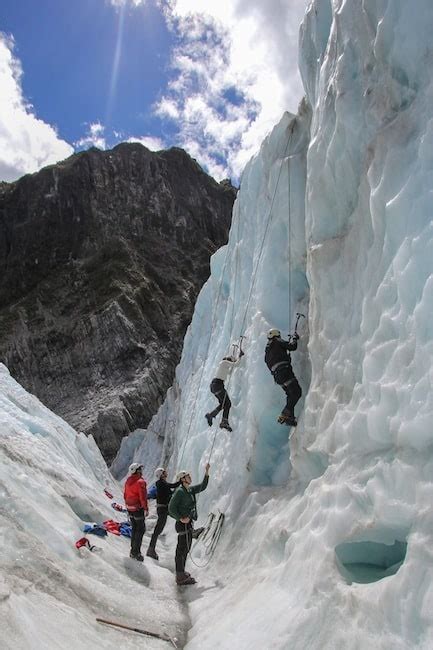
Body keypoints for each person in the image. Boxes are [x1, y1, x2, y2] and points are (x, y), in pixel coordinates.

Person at [168, 463, 210, 585]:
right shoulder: (180, 492)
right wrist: (180, 518)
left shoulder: (189, 489)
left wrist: (207, 472)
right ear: (182, 479)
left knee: (185, 549)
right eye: (188, 476)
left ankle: (181, 573)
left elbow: (202, 486)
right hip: (182, 524)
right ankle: (180, 576)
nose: (190, 477)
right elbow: (171, 508)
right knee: (181, 550)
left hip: (188, 523)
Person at [264, 328, 302, 426]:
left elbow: (272, 363)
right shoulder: (277, 340)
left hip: (278, 377)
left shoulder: (267, 351)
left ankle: (290, 418)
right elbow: (292, 347)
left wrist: (286, 358)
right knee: (297, 392)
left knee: (290, 394)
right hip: (284, 371)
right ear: (276, 335)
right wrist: (294, 339)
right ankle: (285, 413)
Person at [205, 350, 244, 431]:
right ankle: (223, 421)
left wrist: (233, 364)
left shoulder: (223, 365)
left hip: (215, 386)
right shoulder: (224, 362)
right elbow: (236, 364)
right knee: (228, 403)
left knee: (223, 404)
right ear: (229, 360)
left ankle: (211, 415)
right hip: (218, 385)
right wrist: (240, 357)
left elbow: (229, 372)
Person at [146, 468, 181, 560]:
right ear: (161, 474)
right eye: (164, 472)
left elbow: (170, 491)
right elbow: (172, 486)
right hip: (163, 508)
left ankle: (151, 549)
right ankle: (151, 549)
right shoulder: (161, 483)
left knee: (160, 528)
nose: (166, 473)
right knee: (158, 528)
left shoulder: (161, 483)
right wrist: (180, 481)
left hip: (163, 508)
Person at [124, 462, 148, 561]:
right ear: (136, 471)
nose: (141, 471)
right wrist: (145, 508)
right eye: (140, 469)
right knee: (140, 529)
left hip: (130, 508)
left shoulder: (128, 480)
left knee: (134, 529)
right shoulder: (140, 482)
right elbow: (142, 497)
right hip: (138, 509)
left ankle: (133, 550)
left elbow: (125, 494)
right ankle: (136, 552)